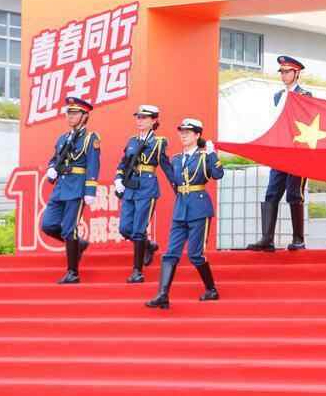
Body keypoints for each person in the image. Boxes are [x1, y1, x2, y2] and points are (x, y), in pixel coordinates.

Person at [146, 118, 224, 309]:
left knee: (195, 254)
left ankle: (211, 289)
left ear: (197, 135)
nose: (184, 135)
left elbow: (217, 174)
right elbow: (174, 180)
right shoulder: (176, 159)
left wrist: (212, 154)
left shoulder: (204, 157)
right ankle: (163, 294)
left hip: (199, 208)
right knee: (170, 253)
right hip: (181, 209)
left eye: (188, 132)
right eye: (182, 132)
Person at [247, 55, 312, 252]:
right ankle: (267, 239)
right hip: (280, 152)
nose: (283, 75)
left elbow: (307, 123)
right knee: (271, 193)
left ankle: (298, 239)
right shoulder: (278, 96)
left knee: (294, 193)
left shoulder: (305, 95)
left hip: (298, 153)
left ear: (296, 73)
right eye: (281, 72)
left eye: (287, 71)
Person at [40, 96, 101, 284]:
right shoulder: (63, 138)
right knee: (48, 225)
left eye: (75, 113)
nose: (70, 116)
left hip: (77, 187)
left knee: (69, 229)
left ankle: (73, 273)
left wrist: (90, 190)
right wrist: (51, 168)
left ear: (84, 116)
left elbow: (93, 165)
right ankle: (78, 244)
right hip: (60, 188)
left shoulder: (90, 139)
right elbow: (55, 159)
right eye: (69, 113)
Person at [114, 104, 173, 284]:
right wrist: (118, 179)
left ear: (154, 120)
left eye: (144, 118)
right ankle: (148, 246)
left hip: (147, 187)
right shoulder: (132, 141)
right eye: (138, 117)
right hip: (130, 186)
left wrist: (178, 187)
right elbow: (123, 163)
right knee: (125, 228)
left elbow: (166, 167)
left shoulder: (159, 142)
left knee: (139, 230)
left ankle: (137, 272)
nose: (140, 121)